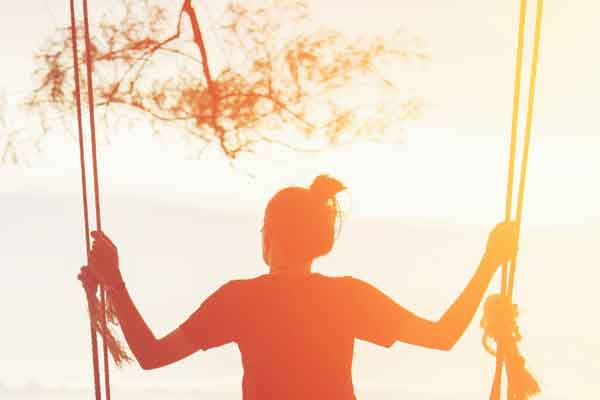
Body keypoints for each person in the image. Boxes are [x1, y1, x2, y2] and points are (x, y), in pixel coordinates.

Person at [81, 174, 518, 400]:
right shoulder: (347, 296)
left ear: (269, 236)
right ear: (318, 239)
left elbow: (152, 355)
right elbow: (442, 336)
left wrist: (114, 282)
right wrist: (489, 261)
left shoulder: (239, 299)